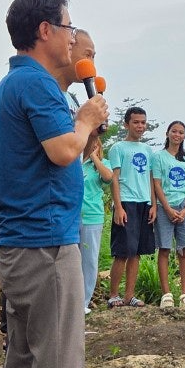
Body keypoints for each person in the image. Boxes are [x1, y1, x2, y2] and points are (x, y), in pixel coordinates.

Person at [0, 0, 126, 368]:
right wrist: (85, 118)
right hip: (45, 242)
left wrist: (84, 123)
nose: (73, 37)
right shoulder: (38, 84)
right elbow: (64, 150)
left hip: (20, 240)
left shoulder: (9, 85)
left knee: (24, 363)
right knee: (59, 366)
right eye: (69, 26)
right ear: (45, 30)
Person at [106, 107, 156, 308]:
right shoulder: (118, 148)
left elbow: (151, 179)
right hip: (126, 202)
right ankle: (113, 295)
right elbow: (114, 179)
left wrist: (153, 204)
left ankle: (129, 296)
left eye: (143, 122)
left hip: (144, 203)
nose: (140, 126)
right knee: (122, 252)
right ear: (126, 124)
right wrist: (118, 207)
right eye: (136, 122)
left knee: (136, 252)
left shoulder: (148, 150)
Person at [152, 120, 185, 311]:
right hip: (165, 207)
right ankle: (166, 294)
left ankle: (184, 294)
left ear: (184, 136)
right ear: (167, 133)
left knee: (184, 250)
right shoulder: (158, 157)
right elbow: (156, 184)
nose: (177, 135)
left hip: (184, 207)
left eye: (181, 132)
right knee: (164, 249)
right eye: (174, 131)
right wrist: (168, 209)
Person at [78, 133, 111, 314]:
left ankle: (84, 301)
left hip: (92, 216)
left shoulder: (101, 165)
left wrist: (94, 158)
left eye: (94, 143)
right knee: (71, 259)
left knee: (89, 260)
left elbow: (108, 178)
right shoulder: (74, 162)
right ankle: (71, 300)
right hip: (71, 216)